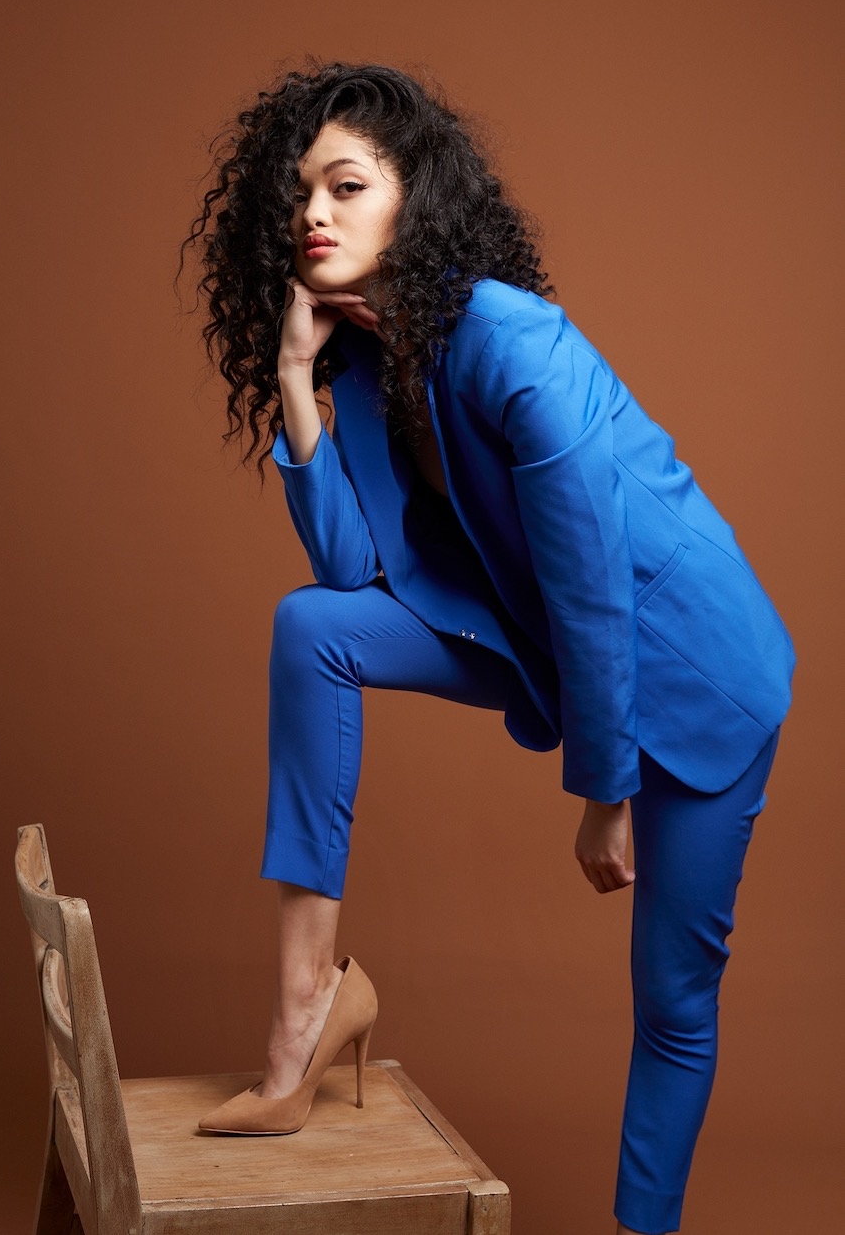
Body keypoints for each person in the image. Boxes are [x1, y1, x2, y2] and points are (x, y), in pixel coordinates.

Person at [182, 63, 794, 1235]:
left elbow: (594, 586)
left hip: (694, 674)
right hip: (533, 637)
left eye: (346, 186)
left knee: (671, 1001)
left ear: (415, 199)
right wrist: (299, 379)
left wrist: (606, 793)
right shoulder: (364, 359)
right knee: (313, 630)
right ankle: (304, 1019)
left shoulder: (520, 346)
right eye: (300, 192)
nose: (312, 213)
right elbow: (348, 575)